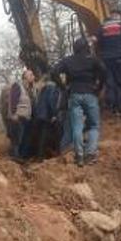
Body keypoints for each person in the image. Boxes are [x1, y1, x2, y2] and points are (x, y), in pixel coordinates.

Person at [50, 38, 106, 168]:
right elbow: (104, 71)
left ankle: (79, 156)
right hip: (90, 93)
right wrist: (99, 86)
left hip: (74, 94)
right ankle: (90, 153)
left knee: (77, 126)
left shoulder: (68, 60)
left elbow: (53, 72)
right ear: (86, 47)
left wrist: (63, 87)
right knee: (93, 125)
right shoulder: (92, 59)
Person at [30, 72, 62, 161]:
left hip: (40, 115)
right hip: (47, 114)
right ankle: (56, 153)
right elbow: (51, 101)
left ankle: (39, 156)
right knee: (50, 134)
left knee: (42, 135)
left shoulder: (43, 89)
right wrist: (54, 114)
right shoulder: (52, 87)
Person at [7, 69, 34, 160]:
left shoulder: (28, 89)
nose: (33, 77)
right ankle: (14, 157)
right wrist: (13, 114)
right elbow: (12, 100)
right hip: (18, 116)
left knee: (24, 138)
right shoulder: (17, 86)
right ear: (25, 77)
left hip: (25, 117)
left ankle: (20, 157)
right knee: (17, 138)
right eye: (31, 75)